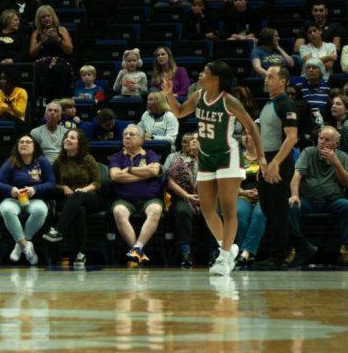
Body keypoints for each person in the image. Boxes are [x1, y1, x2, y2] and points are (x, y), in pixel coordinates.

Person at [161, 61, 264, 275]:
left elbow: (250, 126)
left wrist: (260, 156)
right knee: (207, 208)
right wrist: (169, 94)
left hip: (228, 157)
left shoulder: (229, 101)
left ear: (216, 79)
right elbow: (179, 112)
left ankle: (225, 257)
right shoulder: (199, 96)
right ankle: (228, 247)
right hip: (206, 157)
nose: (200, 74)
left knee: (228, 209)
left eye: (205, 72)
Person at [252, 66, 301, 270]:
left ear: (282, 81)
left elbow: (292, 138)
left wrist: (275, 163)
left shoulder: (286, 103)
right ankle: (302, 246)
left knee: (278, 212)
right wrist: (261, 164)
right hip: (267, 160)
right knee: (269, 209)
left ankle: (277, 258)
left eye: (270, 77)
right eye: (266, 76)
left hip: (279, 161)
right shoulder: (269, 103)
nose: (266, 80)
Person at [287, 127, 348, 268]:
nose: (322, 142)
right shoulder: (309, 152)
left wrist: (336, 163)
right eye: (321, 138)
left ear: (335, 144)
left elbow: (346, 183)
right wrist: (294, 195)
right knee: (292, 206)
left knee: (347, 206)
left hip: (333, 200)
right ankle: (296, 247)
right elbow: (296, 176)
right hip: (309, 199)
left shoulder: (343, 157)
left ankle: (345, 248)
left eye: (327, 140)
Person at [41, 129, 101, 267]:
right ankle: (81, 254)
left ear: (79, 143)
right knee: (79, 210)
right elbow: (52, 183)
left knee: (78, 196)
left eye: (72, 138)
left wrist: (83, 190)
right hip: (69, 199)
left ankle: (58, 231)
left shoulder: (87, 159)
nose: (68, 139)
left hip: (91, 197)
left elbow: (97, 182)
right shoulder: (59, 161)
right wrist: (63, 187)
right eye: (67, 137)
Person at [107, 124, 165, 266]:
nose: (127, 137)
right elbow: (115, 176)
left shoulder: (150, 154)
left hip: (150, 199)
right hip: (124, 200)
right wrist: (144, 174)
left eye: (132, 134)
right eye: (125, 134)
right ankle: (137, 252)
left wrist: (129, 170)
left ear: (141, 139)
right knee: (118, 211)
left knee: (156, 210)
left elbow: (154, 171)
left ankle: (137, 248)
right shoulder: (117, 156)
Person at [0, 135, 55, 265]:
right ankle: (25, 245)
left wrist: (36, 189)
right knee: (6, 209)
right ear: (17, 146)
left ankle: (20, 245)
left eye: (28, 142)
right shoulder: (11, 161)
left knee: (40, 210)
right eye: (21, 142)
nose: (24, 144)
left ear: (34, 146)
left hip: (34, 200)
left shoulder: (42, 161)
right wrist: (11, 189)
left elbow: (51, 183)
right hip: (14, 199)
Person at [163, 133, 201, 266]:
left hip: (205, 196)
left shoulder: (205, 158)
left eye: (190, 142)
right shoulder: (174, 157)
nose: (186, 145)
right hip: (181, 196)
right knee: (182, 212)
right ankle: (186, 254)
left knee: (216, 211)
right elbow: (167, 179)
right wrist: (187, 195)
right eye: (184, 142)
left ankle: (215, 252)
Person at [29, 5, 74, 102]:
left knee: (59, 69)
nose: (46, 19)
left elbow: (70, 50)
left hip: (60, 60)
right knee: (40, 69)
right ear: (39, 20)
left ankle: (60, 100)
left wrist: (57, 40)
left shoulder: (62, 30)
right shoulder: (36, 33)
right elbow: (32, 53)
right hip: (42, 61)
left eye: (48, 16)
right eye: (43, 17)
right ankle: (42, 101)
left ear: (53, 17)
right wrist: (41, 42)